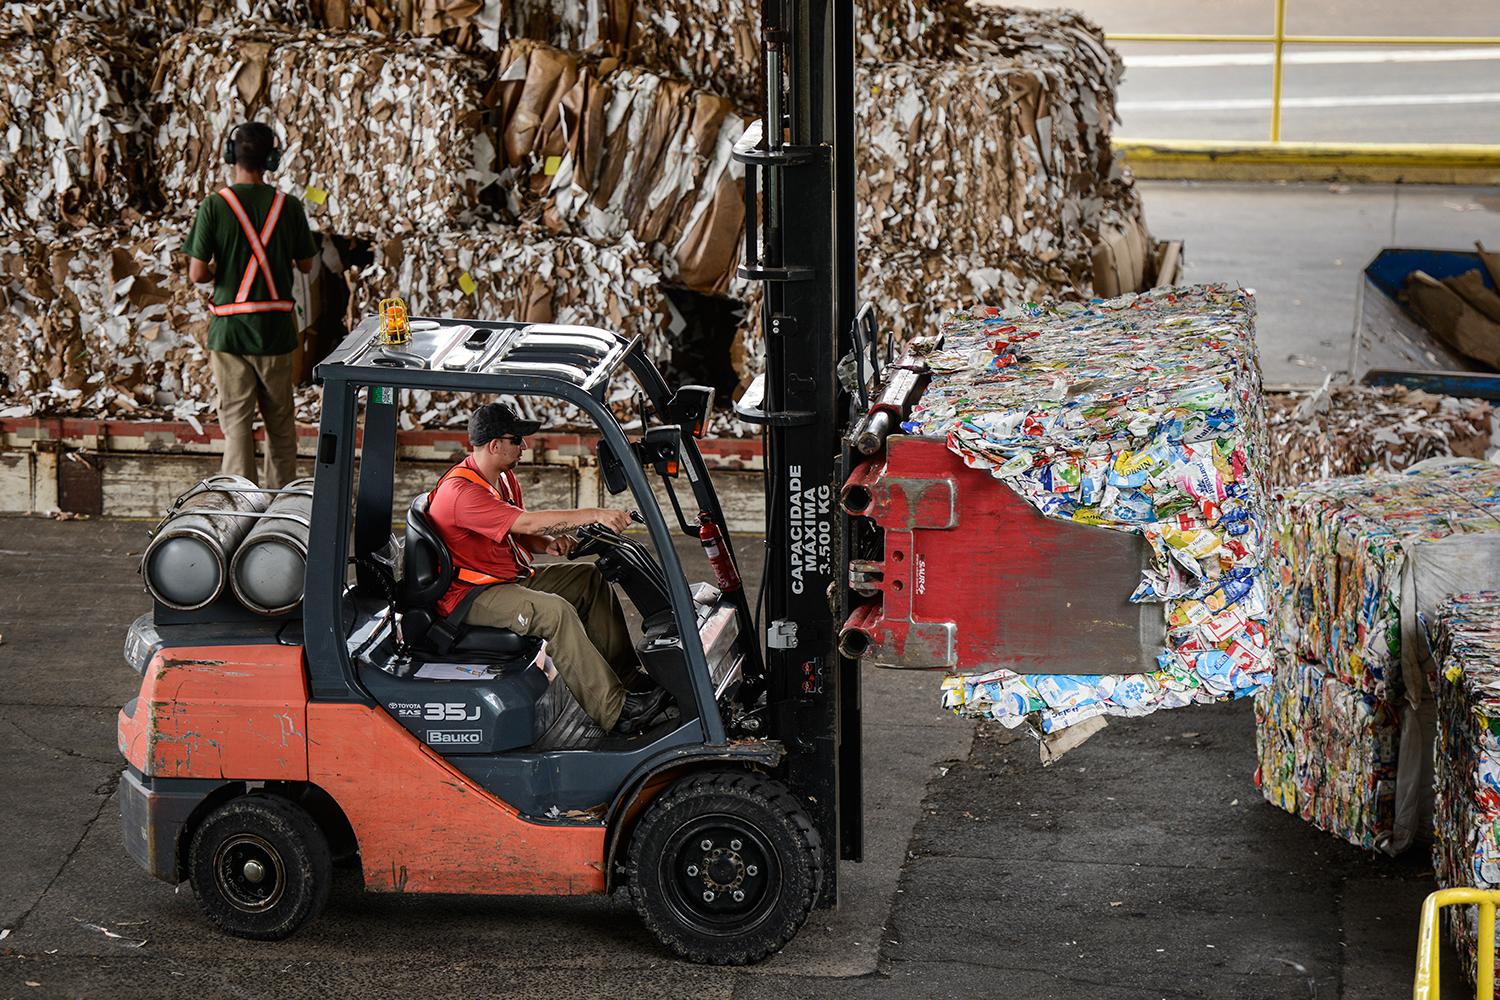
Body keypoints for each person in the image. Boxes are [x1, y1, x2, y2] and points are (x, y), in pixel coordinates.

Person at [427, 402, 668, 734]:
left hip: (504, 579)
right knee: (554, 612)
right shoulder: (462, 493)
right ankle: (616, 712)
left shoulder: (503, 479)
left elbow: (518, 531)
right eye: (518, 440)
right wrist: (594, 514)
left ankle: (627, 681)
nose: (524, 446)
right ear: (495, 445)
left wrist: (547, 544)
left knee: (589, 579)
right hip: (471, 596)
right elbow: (527, 521)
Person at [183, 121, 318, 489]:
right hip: (275, 333)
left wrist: (220, 269)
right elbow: (306, 265)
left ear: (231, 155)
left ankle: (239, 511)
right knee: (281, 427)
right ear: (272, 159)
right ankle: (279, 512)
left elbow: (197, 274)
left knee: (237, 428)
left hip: (229, 334)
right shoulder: (287, 206)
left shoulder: (214, 206)